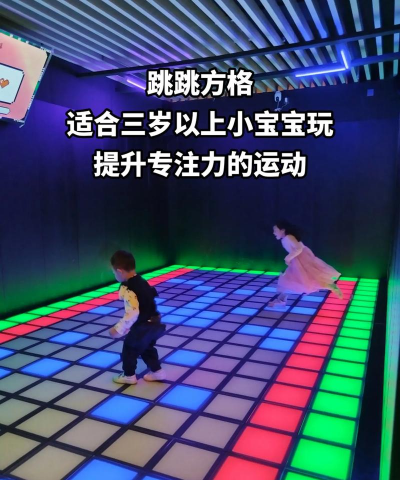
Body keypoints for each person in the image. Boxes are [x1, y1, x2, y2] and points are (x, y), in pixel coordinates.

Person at [109, 250, 166, 384]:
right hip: (155, 323)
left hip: (143, 326)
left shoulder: (129, 288)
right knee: (147, 348)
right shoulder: (142, 281)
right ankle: (157, 371)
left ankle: (129, 375)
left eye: (114, 273)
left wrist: (119, 329)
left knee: (129, 348)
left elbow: (133, 313)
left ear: (120, 271)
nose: (115, 275)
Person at [269, 220, 343, 307]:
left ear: (282, 230)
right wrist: (289, 258)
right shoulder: (285, 239)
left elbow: (299, 248)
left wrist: (288, 258)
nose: (274, 233)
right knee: (290, 280)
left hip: (301, 259)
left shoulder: (288, 237)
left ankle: (331, 286)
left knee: (306, 279)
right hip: (297, 259)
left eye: (275, 230)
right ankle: (281, 300)